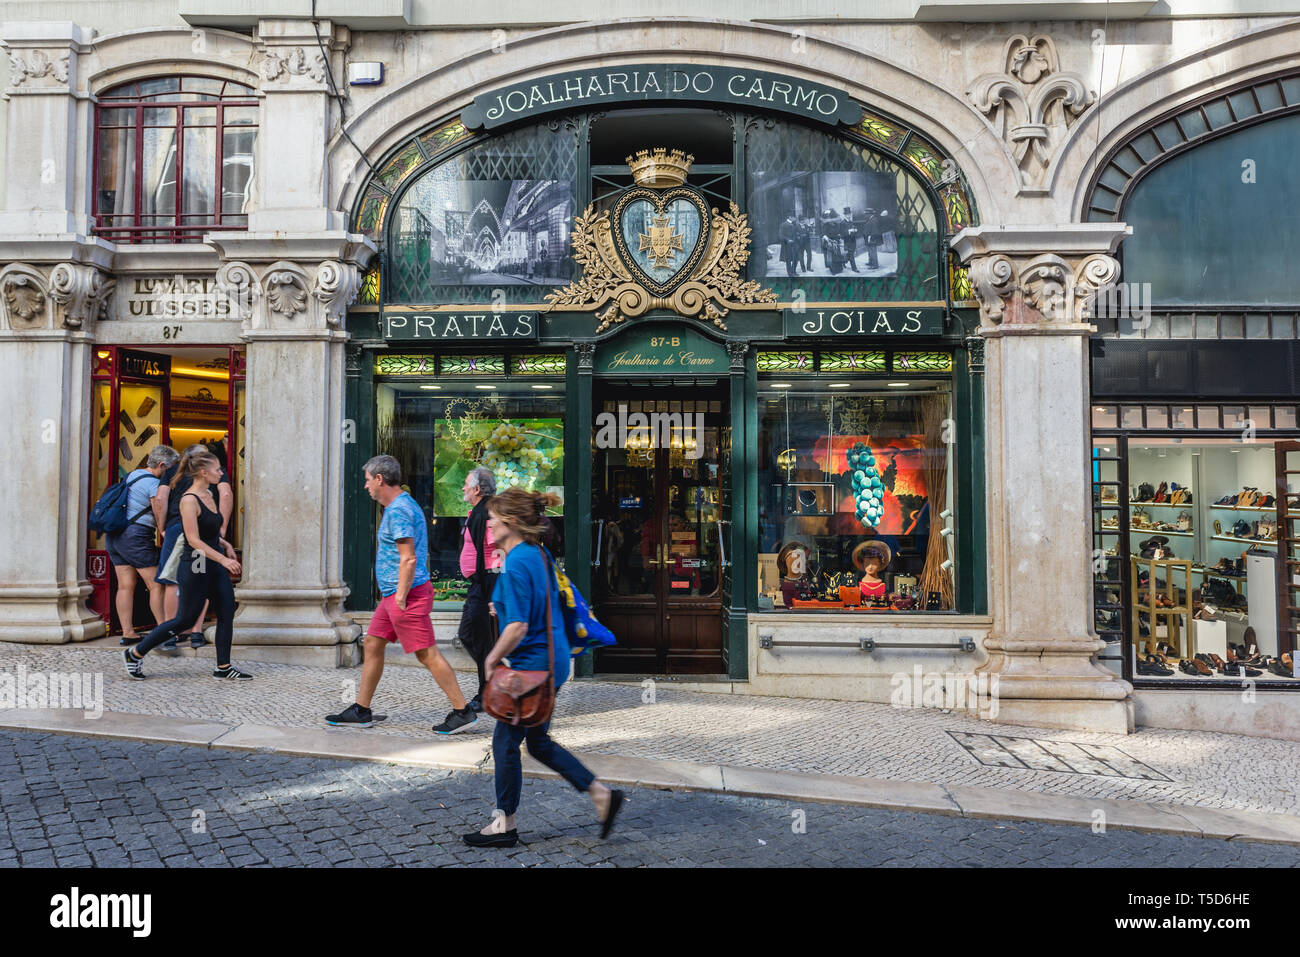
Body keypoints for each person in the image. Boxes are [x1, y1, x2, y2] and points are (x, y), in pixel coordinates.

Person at [463, 487, 624, 848]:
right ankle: (601, 795)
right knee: (536, 742)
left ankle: (505, 823)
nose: (488, 524)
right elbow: (539, 602)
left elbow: (518, 626)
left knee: (505, 743)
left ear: (511, 521)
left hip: (532, 666)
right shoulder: (536, 553)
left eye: (493, 518)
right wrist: (503, 606)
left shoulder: (517, 562)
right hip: (552, 660)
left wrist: (490, 658)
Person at [326, 454, 476, 734]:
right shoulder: (400, 505)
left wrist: (400, 597)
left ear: (379, 479)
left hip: (405, 594)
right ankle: (361, 710)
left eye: (368, 480)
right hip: (394, 594)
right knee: (373, 643)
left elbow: (408, 558)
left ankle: (462, 711)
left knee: (427, 653)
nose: (365, 486)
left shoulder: (398, 511)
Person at [122, 449, 251, 680]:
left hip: (213, 561)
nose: (221, 473)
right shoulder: (189, 500)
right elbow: (193, 539)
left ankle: (223, 667)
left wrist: (225, 544)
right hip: (196, 562)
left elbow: (208, 531)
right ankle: (135, 653)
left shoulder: (209, 494)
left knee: (226, 611)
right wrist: (224, 559)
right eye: (217, 470)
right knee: (185, 619)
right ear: (203, 472)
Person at [155, 443, 232, 652]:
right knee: (200, 579)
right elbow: (226, 494)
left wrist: (161, 528)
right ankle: (196, 632)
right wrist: (222, 527)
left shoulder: (172, 471)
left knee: (173, 582)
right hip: (200, 537)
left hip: (176, 530)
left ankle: (171, 636)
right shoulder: (207, 478)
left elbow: (160, 499)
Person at [106, 445, 178, 646]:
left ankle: (128, 632)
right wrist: (163, 530)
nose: (173, 473)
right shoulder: (154, 484)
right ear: (162, 465)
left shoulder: (132, 475)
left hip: (115, 536)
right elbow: (158, 507)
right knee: (156, 584)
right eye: (171, 468)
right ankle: (163, 632)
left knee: (125, 586)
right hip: (135, 537)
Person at [456, 466, 502, 712]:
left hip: (486, 584)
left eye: (466, 483)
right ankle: (492, 681)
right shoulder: (481, 510)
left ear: (476, 489)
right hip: (482, 584)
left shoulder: (486, 512)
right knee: (474, 636)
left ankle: (490, 687)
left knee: (474, 634)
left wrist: (492, 594)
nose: (463, 487)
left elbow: (496, 552)